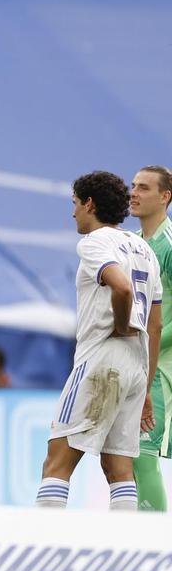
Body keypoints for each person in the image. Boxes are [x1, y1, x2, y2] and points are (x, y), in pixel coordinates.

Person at [36, 171, 161, 511]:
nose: (73, 212)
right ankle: (125, 553)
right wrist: (146, 388)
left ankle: (44, 546)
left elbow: (120, 287)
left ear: (89, 204)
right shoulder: (144, 249)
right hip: (137, 365)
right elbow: (155, 324)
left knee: (57, 462)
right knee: (119, 470)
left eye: (75, 204)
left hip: (103, 357)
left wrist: (121, 324)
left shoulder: (94, 242)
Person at [129, 165, 172, 511]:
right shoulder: (136, 244)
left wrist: (152, 344)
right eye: (132, 186)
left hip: (161, 368)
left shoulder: (168, 244)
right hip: (139, 361)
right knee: (127, 457)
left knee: (143, 455)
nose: (134, 193)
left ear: (165, 197)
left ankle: (158, 547)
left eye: (143, 188)